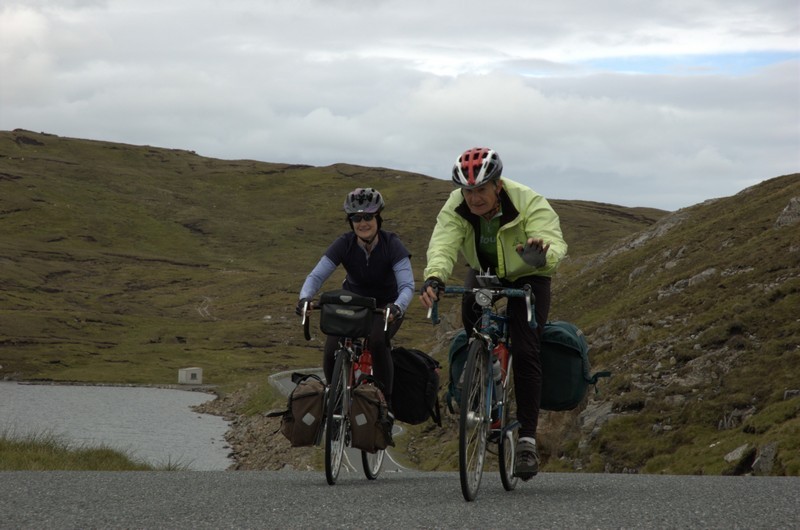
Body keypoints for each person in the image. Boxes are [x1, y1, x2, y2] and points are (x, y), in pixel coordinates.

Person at [419, 147, 567, 481]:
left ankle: (527, 439)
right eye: (468, 191)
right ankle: (486, 370)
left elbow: (552, 241)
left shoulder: (527, 201)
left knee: (528, 348)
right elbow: (443, 242)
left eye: (481, 190)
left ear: (497, 186)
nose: (473, 198)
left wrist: (540, 257)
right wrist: (435, 277)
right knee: (471, 323)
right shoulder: (456, 205)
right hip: (484, 269)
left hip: (528, 270)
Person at [297, 187, 414, 415]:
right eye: (356, 218)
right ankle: (334, 397)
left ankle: (384, 406)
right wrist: (305, 298)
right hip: (353, 303)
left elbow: (407, 286)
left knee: (378, 341)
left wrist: (397, 306)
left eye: (368, 217)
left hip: (385, 306)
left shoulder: (392, 244)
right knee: (332, 345)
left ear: (378, 217)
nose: (363, 223)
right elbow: (316, 276)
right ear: (350, 221)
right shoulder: (345, 243)